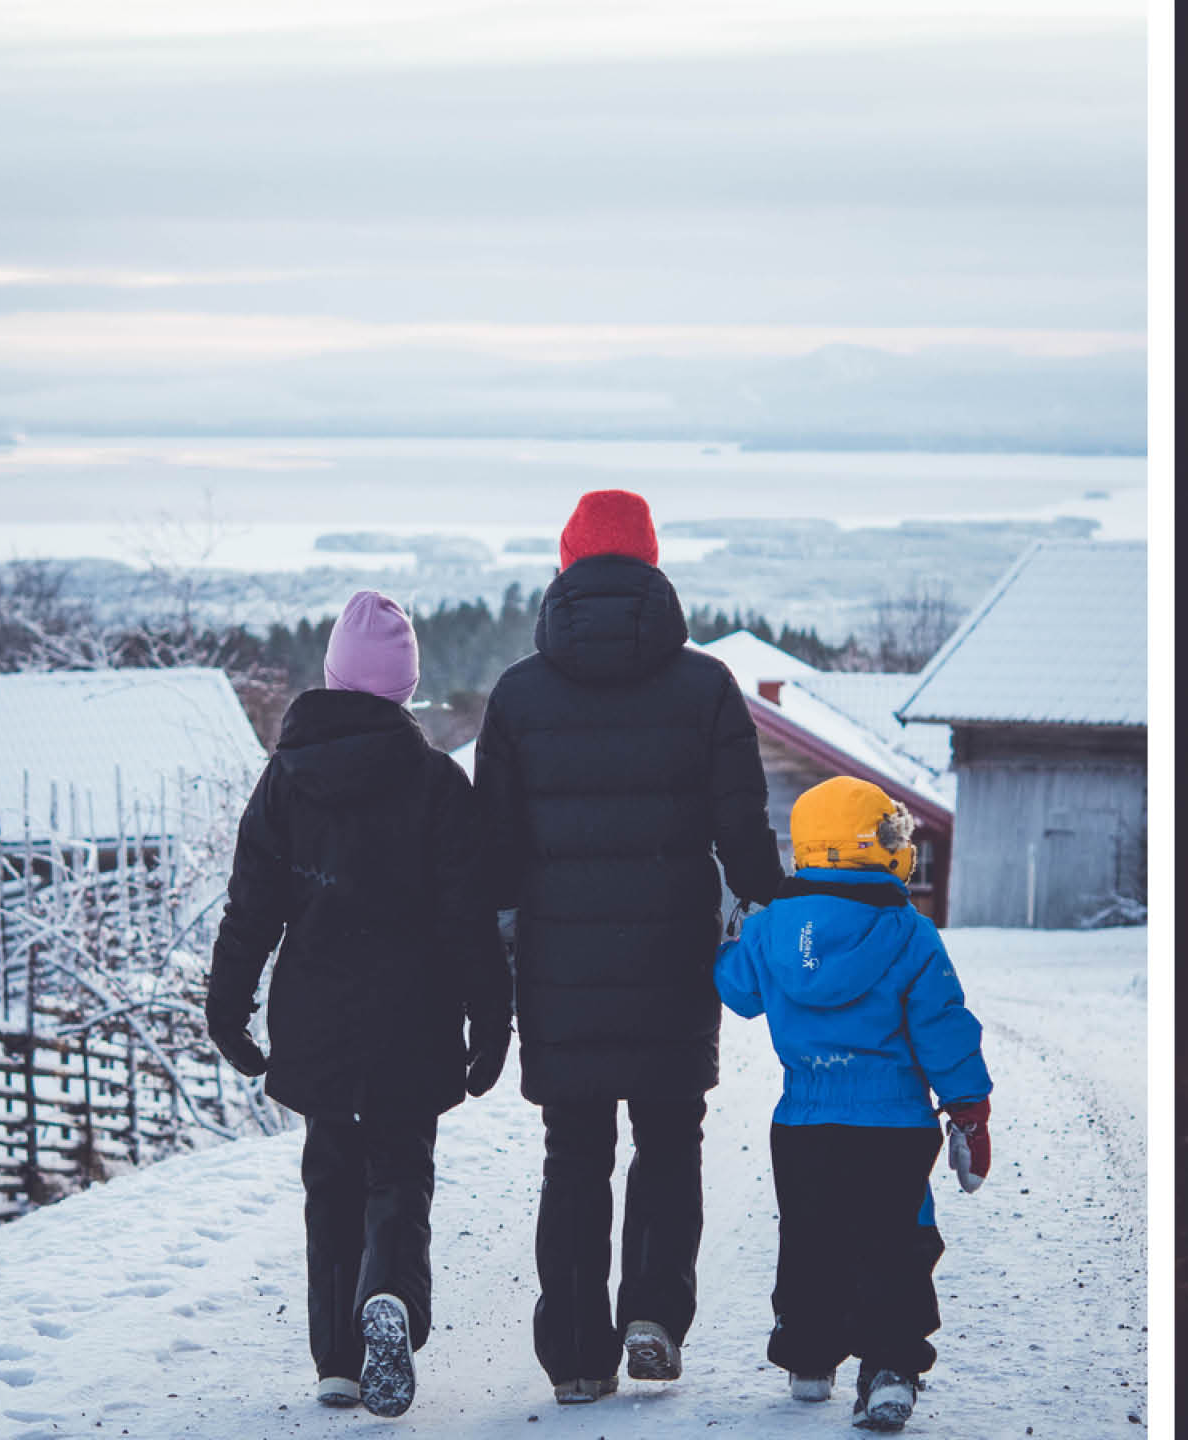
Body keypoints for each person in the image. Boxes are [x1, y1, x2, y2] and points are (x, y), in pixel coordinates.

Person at [473, 489, 786, 1404]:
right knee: (669, 1141)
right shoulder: (707, 687)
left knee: (573, 1153)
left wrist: (486, 951)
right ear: (651, 565)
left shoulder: (519, 694)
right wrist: (779, 905)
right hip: (670, 962)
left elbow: (492, 856)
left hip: (561, 972)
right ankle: (653, 1315)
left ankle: (575, 1355)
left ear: (566, 567)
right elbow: (744, 832)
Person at [205, 589, 510, 1418]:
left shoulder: (285, 782)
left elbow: (251, 908)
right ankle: (393, 1301)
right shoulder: (439, 785)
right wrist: (491, 1019)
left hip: (315, 1017)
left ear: (335, 677)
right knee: (400, 1174)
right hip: (413, 1020)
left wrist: (225, 1007)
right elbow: (468, 921)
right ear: (405, 688)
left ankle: (338, 1362)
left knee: (330, 1176)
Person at [714, 776, 995, 1433]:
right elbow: (943, 1026)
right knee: (894, 1240)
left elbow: (740, 993)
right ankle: (891, 1367)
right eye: (892, 833)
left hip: (804, 1119)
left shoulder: (770, 930)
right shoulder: (909, 933)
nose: (902, 843)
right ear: (865, 847)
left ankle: (809, 1358)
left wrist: (732, 936)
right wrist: (968, 1109)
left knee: (810, 1234)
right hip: (892, 1122)